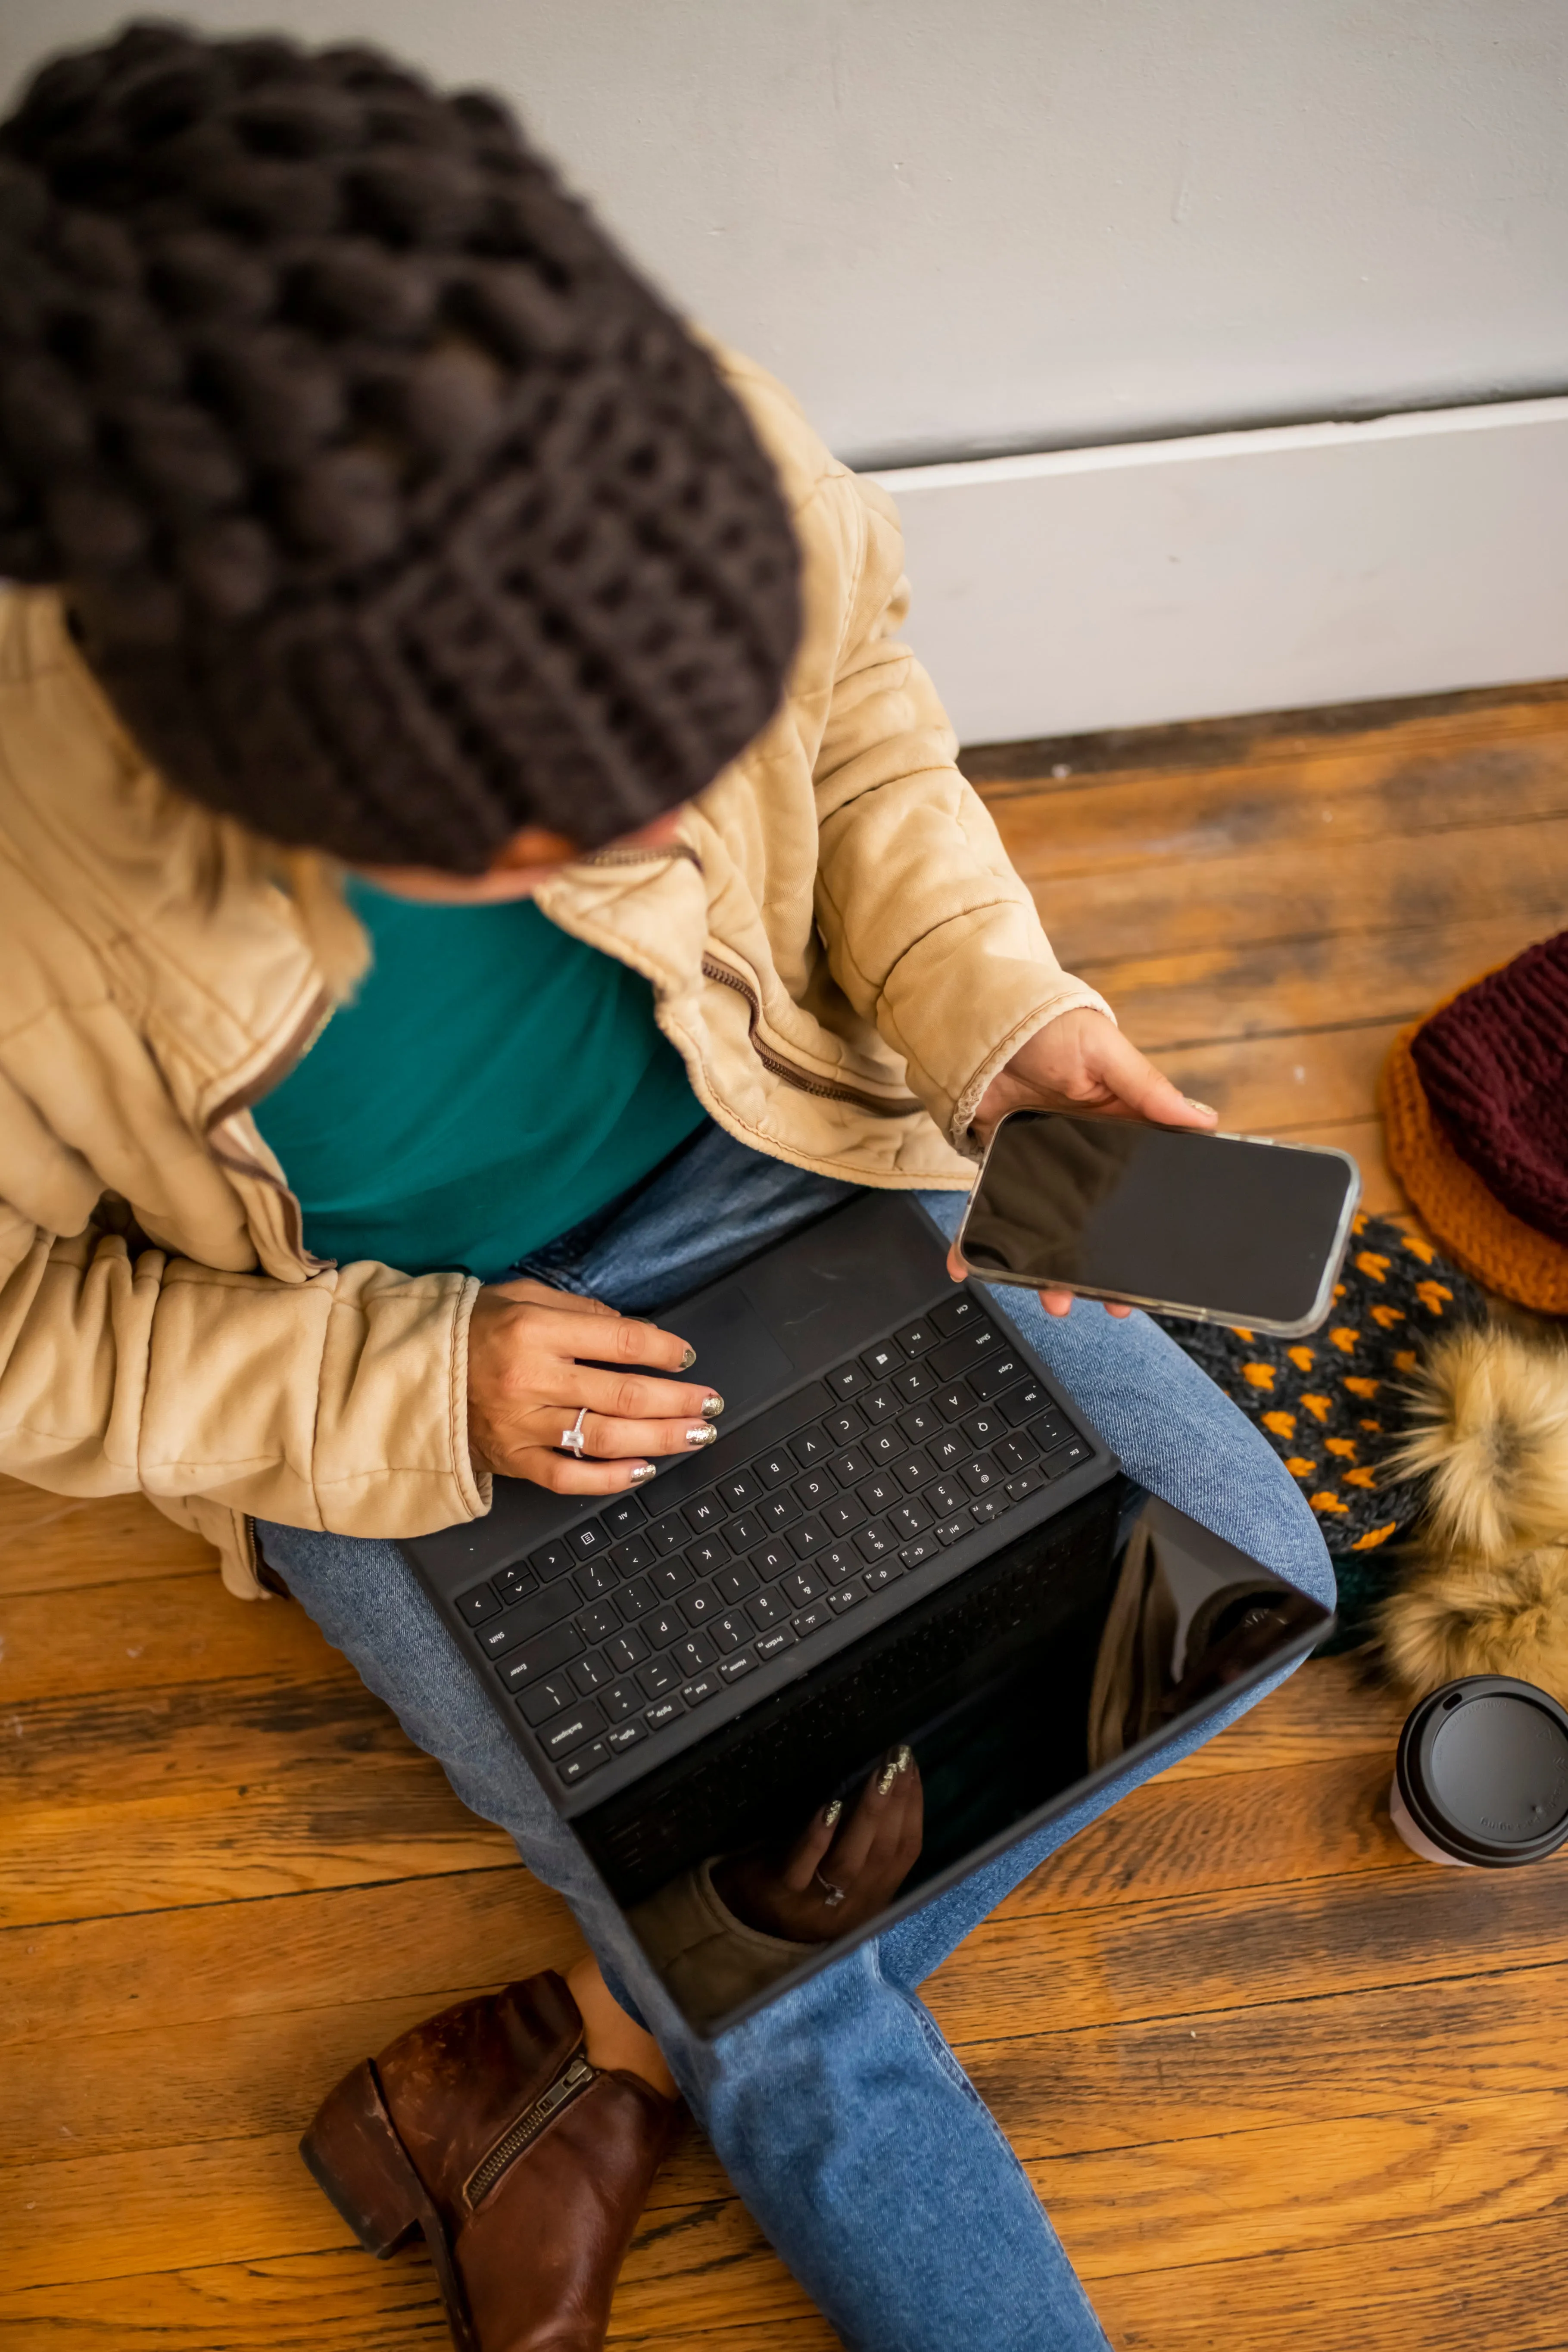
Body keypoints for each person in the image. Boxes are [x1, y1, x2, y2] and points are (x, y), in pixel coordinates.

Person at [0, 24, 1333, 2352]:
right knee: (778, 1970)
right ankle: (678, 2022)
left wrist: (992, 1019)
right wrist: (416, 1387)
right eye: (575, 827)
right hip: (385, 1384)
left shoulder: (633, 430)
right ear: (271, 788)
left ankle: (594, 2060)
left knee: (1246, 1581)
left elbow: (860, 714)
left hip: (793, 1157)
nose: (683, 821)